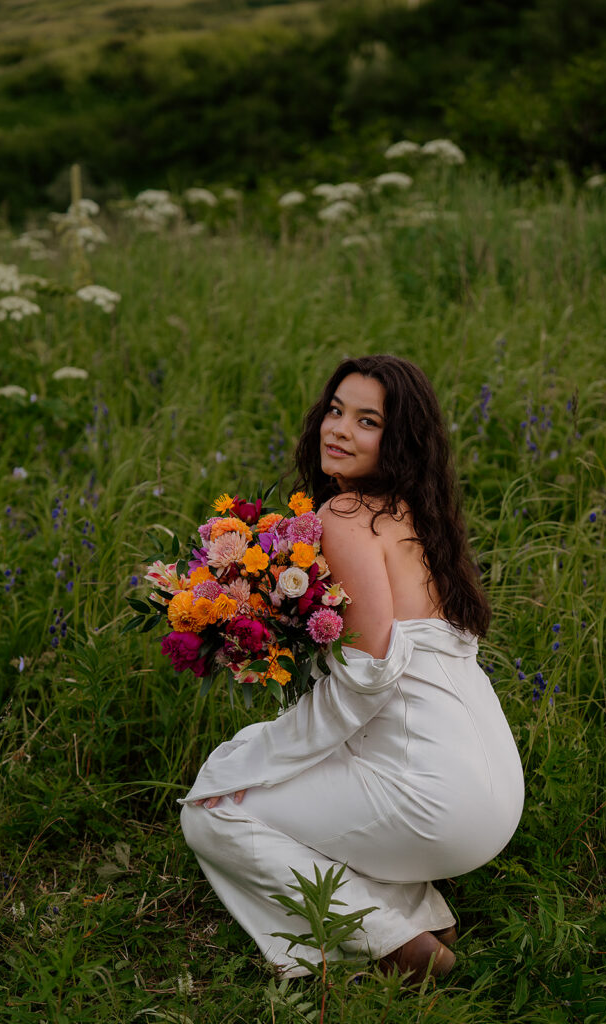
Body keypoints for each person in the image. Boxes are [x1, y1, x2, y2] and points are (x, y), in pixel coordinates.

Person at [179, 355, 524, 982]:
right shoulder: (419, 519)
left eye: (367, 420)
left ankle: (392, 942)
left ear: (399, 441)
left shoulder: (345, 517)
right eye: (336, 410)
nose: (339, 429)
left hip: (436, 799)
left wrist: (262, 756)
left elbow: (367, 677)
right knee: (273, 779)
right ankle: (420, 912)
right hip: (494, 790)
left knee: (212, 809)